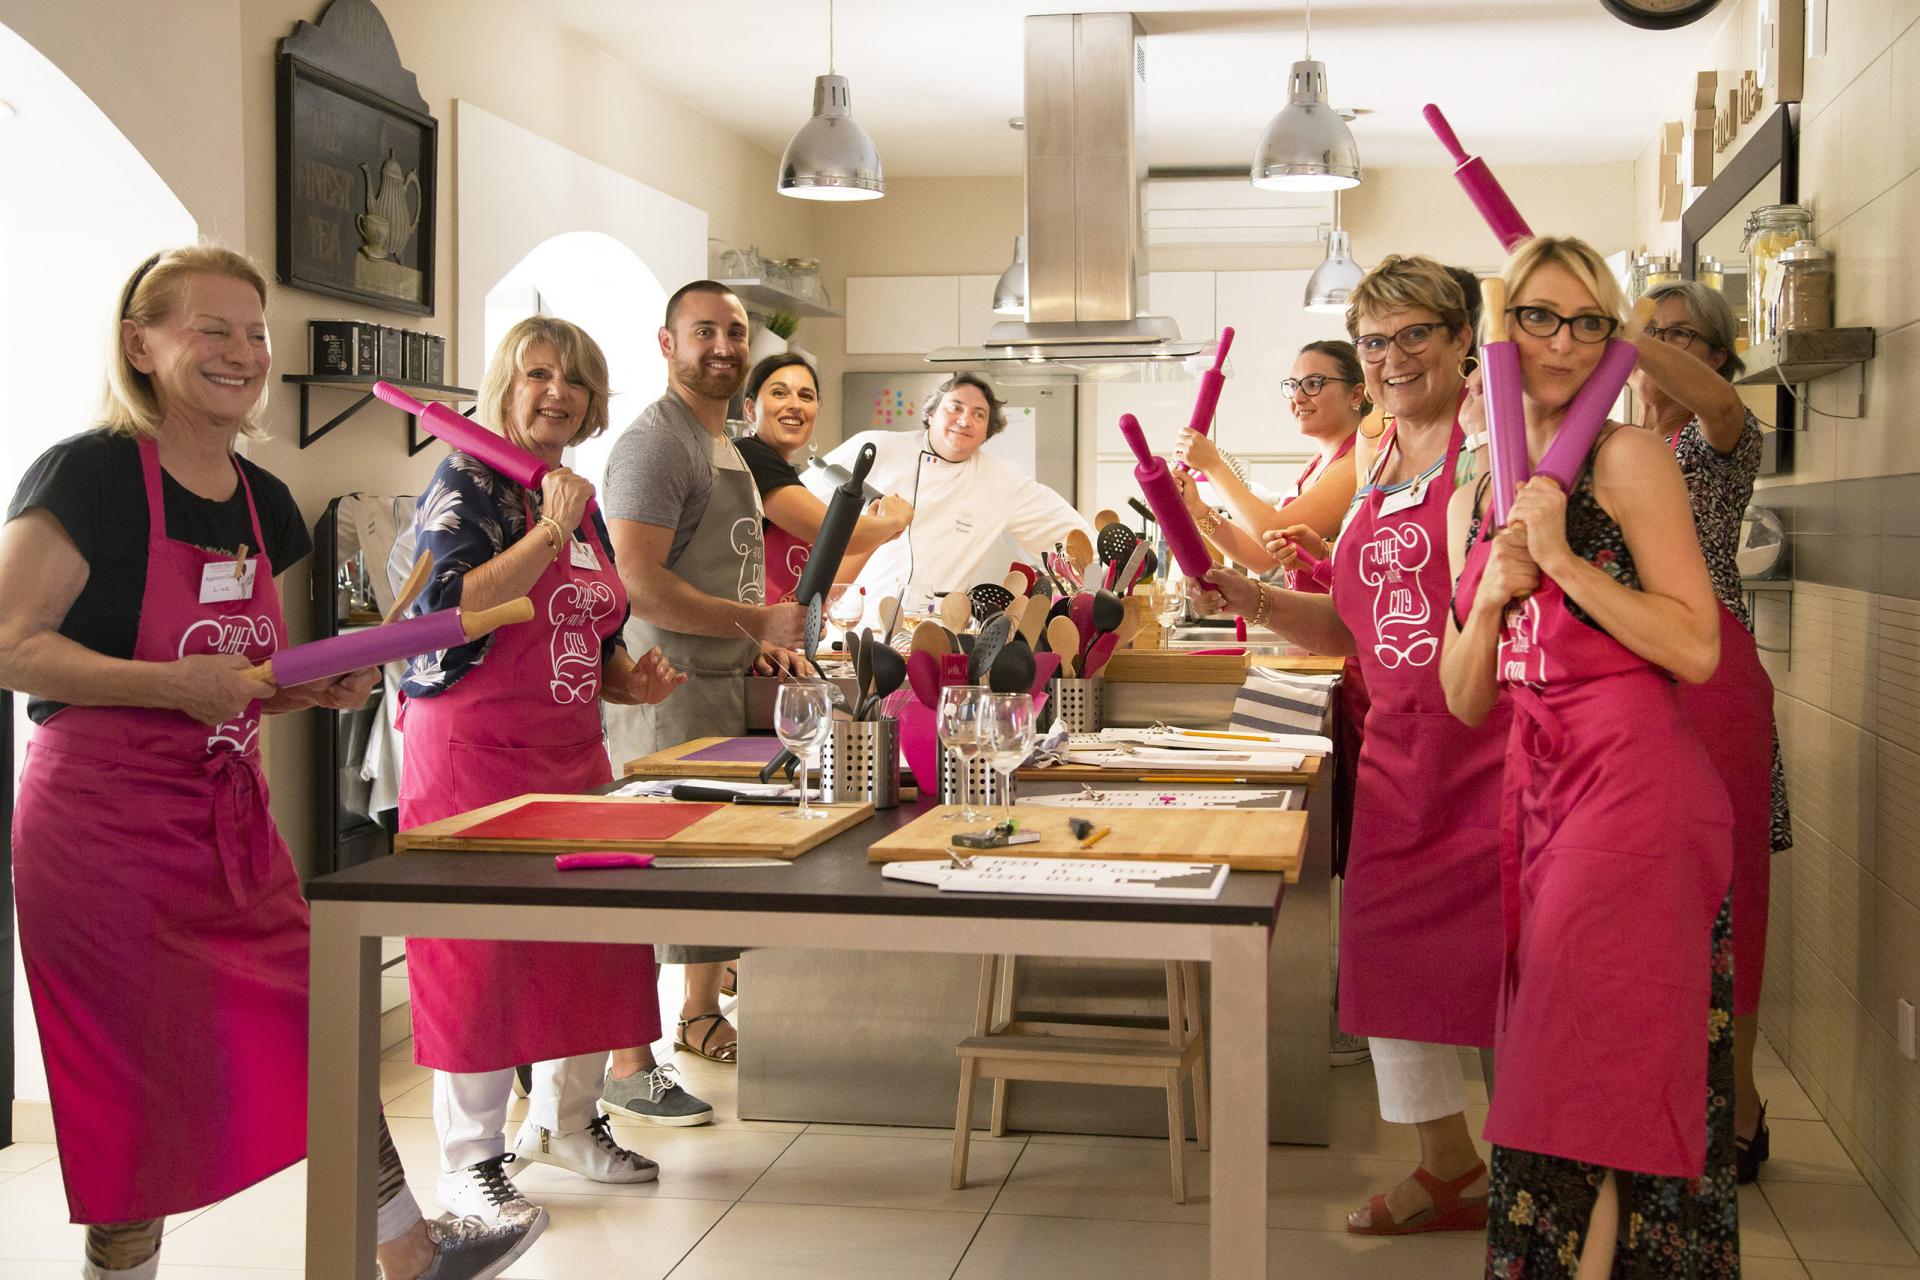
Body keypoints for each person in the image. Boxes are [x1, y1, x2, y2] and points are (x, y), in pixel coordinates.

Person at [0, 245, 535, 1280]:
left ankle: (407, 1248)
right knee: (134, 1089)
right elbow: (14, 641)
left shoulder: (263, 498)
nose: (244, 352)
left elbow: (242, 670)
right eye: (214, 329)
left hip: (225, 819)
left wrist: (306, 687)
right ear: (139, 342)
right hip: (101, 833)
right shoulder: (91, 474)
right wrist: (173, 686)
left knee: (318, 1015)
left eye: (255, 331)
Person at [1185, 257, 1506, 1236]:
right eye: (1378, 339)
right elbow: (1352, 624)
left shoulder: (1492, 451)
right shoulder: (1377, 465)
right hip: (1397, 747)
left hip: (1490, 747)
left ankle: (1546, 1172)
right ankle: (1448, 1163)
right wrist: (1253, 597)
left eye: (1418, 334)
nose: (1396, 355)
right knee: (1385, 954)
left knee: (1511, 965)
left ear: (1461, 341)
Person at [1441, 236, 1737, 1276]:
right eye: (1539, 317)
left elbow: (1695, 644)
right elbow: (1464, 692)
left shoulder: (1626, 459)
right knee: (1557, 1079)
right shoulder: (1476, 488)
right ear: (1501, 329)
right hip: (1544, 791)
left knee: (1591, 1082)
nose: (1563, 341)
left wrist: (1563, 560)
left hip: (1636, 795)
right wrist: (1488, 594)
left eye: (1587, 322)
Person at [398, 316, 702, 1227]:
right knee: (479, 957)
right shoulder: (466, 482)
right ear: (506, 385)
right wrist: (546, 531)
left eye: (573, 380)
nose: (557, 393)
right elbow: (448, 608)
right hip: (471, 755)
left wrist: (626, 675)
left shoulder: (574, 495)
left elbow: (590, 631)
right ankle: (471, 1161)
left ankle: (570, 1124)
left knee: (588, 941)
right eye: (537, 375)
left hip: (571, 755)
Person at [604, 280, 813, 1067]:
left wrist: (760, 637)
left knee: (705, 867)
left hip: (717, 678)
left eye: (734, 332)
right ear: (667, 344)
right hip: (665, 687)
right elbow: (639, 581)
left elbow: (720, 565)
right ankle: (629, 1061)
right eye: (704, 332)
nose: (723, 346)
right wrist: (755, 623)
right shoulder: (656, 443)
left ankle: (694, 1017)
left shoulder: (720, 439)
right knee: (655, 878)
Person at [1629, 278, 1791, 1182]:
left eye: (1683, 336)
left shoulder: (1718, 442)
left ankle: (1738, 1099)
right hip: (1632, 684)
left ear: (1721, 353)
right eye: (1652, 334)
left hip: (1717, 682)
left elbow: (1722, 405)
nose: (1662, 349)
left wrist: (1611, 329)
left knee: (1732, 896)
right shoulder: (1611, 449)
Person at [819, 372, 1091, 617]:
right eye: (955, 407)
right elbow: (800, 502)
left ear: (987, 431)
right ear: (931, 414)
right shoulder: (878, 446)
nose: (964, 420)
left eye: (979, 414)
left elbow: (1067, 533)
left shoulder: (1002, 479)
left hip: (934, 632)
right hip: (852, 624)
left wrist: (1102, 574)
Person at [1169, 339, 1368, 578]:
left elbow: (1276, 530)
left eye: (1314, 384)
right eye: (1293, 386)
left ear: (1356, 394)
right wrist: (1198, 509)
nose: (1298, 397)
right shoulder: (1315, 465)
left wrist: (1213, 465)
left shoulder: (1356, 463)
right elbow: (1262, 556)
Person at [733, 351, 913, 603]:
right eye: (779, 393)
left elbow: (824, 589)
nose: (795, 405)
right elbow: (840, 535)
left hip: (769, 638)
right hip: (739, 635)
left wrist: (878, 529)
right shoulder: (749, 456)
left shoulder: (787, 477)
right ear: (751, 409)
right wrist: (894, 519)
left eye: (806, 396)